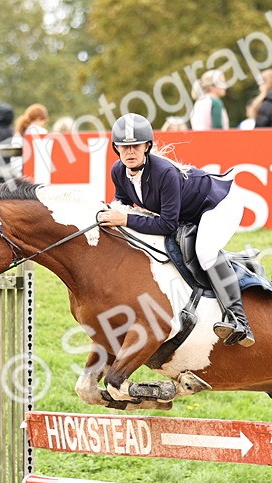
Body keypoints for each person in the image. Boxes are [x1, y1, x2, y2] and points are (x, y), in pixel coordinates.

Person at [96, 113, 254, 347]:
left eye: (136, 146)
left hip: (219, 205)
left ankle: (239, 321)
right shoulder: (118, 171)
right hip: (189, 212)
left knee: (204, 251)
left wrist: (124, 219)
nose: (130, 152)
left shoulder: (165, 173)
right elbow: (122, 205)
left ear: (147, 146)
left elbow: (167, 224)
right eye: (124, 146)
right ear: (115, 148)